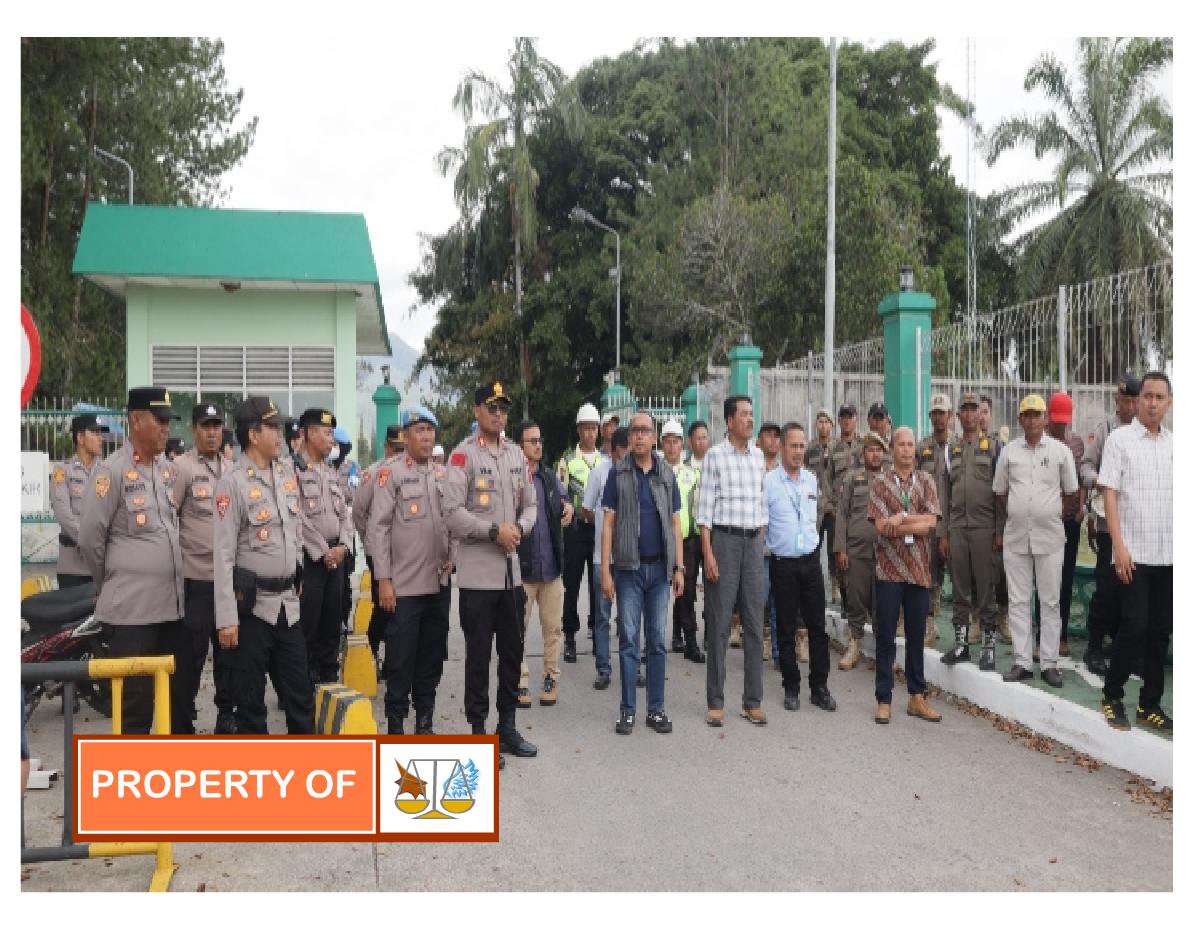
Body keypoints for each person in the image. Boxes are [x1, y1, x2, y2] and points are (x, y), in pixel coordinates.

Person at [78, 386, 194, 735]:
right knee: (136, 711)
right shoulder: (110, 472)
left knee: (178, 704)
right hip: (133, 614)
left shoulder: (166, 470)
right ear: (135, 420)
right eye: (159, 420)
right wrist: (110, 583)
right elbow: (90, 539)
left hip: (171, 611)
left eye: (168, 421)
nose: (166, 428)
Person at [443, 382, 539, 767]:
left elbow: (530, 505)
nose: (499, 414)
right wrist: (492, 531)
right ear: (477, 410)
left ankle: (507, 727)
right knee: (479, 657)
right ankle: (479, 733)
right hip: (478, 579)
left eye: (503, 408)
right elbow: (452, 512)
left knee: (512, 653)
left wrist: (519, 529)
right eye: (491, 407)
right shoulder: (462, 456)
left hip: (511, 577)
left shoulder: (516, 454)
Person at [212, 396, 314, 735]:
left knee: (301, 699)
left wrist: (297, 569)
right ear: (253, 435)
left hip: (288, 607)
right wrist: (226, 618)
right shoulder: (232, 483)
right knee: (251, 707)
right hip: (252, 612)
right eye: (272, 427)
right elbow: (223, 554)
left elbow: (295, 528)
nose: (280, 434)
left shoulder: (285, 473)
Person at [369, 407, 454, 735]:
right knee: (400, 659)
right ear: (405, 437)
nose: (426, 437)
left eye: (430, 431)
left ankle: (424, 721)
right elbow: (379, 528)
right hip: (403, 587)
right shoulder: (391, 474)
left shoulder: (443, 474)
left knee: (431, 658)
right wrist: (383, 579)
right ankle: (396, 725)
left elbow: (455, 520)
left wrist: (454, 556)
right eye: (419, 431)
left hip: (438, 583)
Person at [600, 411, 684, 735]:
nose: (638, 436)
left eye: (644, 430)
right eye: (634, 430)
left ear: (654, 436)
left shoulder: (666, 474)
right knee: (629, 640)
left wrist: (679, 567)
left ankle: (656, 709)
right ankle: (627, 710)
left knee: (657, 642)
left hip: (660, 570)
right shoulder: (618, 473)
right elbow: (608, 524)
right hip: (628, 571)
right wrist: (606, 571)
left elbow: (675, 523)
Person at [1098, 372, 1173, 733]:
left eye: (1160, 397)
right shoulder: (1120, 440)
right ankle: (1112, 695)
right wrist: (1119, 546)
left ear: (1169, 404)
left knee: (1160, 631)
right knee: (1134, 626)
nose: (1153, 403)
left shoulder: (1176, 446)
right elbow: (1109, 493)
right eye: (1147, 396)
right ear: (1138, 400)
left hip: (1168, 554)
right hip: (1134, 554)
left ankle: (1149, 704)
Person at [993, 395, 1079, 687]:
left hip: (1050, 537)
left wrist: (1050, 514)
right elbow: (1001, 493)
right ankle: (1022, 662)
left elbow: (1071, 493)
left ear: (1046, 419)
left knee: (1050, 601)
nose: (1032, 420)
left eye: (1037, 415)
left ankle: (1050, 663)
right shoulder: (1008, 453)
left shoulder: (1061, 452)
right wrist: (1020, 514)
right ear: (1020, 420)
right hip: (1017, 536)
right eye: (1027, 415)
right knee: (1018, 600)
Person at [696, 395, 769, 727]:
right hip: (723, 543)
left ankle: (752, 701)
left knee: (754, 623)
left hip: (752, 544)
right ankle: (715, 700)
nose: (750, 420)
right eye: (744, 415)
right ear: (729, 420)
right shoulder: (715, 456)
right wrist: (708, 553)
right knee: (719, 623)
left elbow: (762, 504)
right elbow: (704, 512)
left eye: (752, 414)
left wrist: (759, 538)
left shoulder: (759, 457)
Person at [868, 427, 942, 724]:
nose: (907, 450)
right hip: (888, 570)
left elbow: (931, 522)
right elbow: (881, 526)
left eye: (911, 445)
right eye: (901, 445)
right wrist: (911, 525)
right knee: (886, 636)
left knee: (916, 636)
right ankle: (884, 699)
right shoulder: (880, 483)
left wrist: (902, 519)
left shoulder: (926, 481)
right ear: (892, 449)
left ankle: (917, 696)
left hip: (919, 571)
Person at [170, 402, 233, 732]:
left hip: (228, 582)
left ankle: (226, 717)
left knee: (229, 655)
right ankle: (182, 725)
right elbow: (170, 520)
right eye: (205, 426)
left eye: (216, 426)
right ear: (194, 430)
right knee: (190, 658)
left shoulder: (232, 470)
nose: (211, 433)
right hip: (196, 581)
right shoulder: (181, 469)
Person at [765, 423, 835, 712]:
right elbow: (762, 523)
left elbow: (814, 516)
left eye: (801, 446)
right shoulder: (769, 482)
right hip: (782, 565)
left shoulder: (811, 480)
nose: (798, 451)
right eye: (792, 446)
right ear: (781, 447)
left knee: (817, 628)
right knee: (785, 628)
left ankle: (819, 687)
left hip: (810, 563)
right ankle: (791, 686)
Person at [1079, 374, 1140, 675]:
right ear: (1117, 401)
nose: (1128, 405)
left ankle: (1120, 648)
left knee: (1132, 589)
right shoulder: (1104, 430)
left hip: (1138, 525)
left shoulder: (1146, 433)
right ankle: (1094, 647)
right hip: (1107, 523)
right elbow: (1085, 466)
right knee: (1106, 588)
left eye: (1132, 400)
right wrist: (1099, 481)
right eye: (1123, 400)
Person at [938, 392, 1003, 672]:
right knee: (960, 588)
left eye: (973, 409)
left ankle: (988, 647)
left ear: (981, 413)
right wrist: (943, 533)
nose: (968, 414)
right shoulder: (950, 450)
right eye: (964, 409)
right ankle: (961, 644)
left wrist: (999, 530)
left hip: (984, 529)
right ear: (958, 415)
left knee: (986, 589)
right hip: (956, 529)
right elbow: (943, 495)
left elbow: (1000, 493)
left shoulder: (994, 448)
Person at [515, 419, 574, 708]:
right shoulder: (512, 478)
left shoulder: (549, 477)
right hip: (522, 570)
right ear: (519, 446)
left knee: (553, 630)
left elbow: (565, 499)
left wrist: (569, 507)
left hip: (551, 569)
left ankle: (551, 677)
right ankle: (520, 681)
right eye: (532, 441)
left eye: (540, 440)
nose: (538, 445)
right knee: (517, 631)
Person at [295, 408, 353, 685]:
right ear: (308, 434)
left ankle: (329, 677)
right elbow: (297, 517)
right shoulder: (293, 470)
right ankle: (303, 683)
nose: (332, 440)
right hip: (311, 559)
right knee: (309, 623)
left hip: (336, 557)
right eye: (327, 433)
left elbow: (345, 515)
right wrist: (322, 551)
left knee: (332, 621)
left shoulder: (330, 472)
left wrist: (343, 546)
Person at [833, 431, 887, 671]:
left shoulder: (890, 479)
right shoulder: (852, 479)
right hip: (857, 551)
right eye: (871, 450)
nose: (875, 455)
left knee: (882, 604)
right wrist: (841, 548)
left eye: (879, 450)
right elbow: (842, 515)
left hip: (885, 553)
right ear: (863, 453)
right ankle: (853, 646)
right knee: (855, 601)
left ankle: (883, 653)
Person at [353, 424, 406, 663]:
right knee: (382, 606)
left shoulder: (410, 473)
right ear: (385, 447)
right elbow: (358, 512)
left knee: (401, 608)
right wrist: (372, 540)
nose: (398, 455)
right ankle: (371, 651)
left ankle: (394, 660)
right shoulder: (373, 474)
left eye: (402, 450)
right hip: (379, 552)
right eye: (394, 449)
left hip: (404, 552)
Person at [557, 403, 604, 663]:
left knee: (598, 584)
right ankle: (570, 637)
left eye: (594, 428)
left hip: (599, 530)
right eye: (586, 428)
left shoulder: (604, 460)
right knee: (572, 584)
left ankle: (597, 634)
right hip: (575, 530)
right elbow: (560, 493)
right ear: (578, 430)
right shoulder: (568, 460)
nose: (590, 433)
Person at [583, 427, 629, 689]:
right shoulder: (599, 473)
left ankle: (632, 667)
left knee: (629, 616)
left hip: (629, 558)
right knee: (602, 616)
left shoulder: (636, 473)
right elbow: (587, 510)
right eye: (622, 455)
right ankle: (603, 668)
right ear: (612, 450)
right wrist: (604, 526)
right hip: (603, 557)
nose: (625, 460)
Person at [1045, 391, 1087, 660]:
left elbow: (1081, 480)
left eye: (1064, 422)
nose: (1061, 427)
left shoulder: (1077, 444)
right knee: (1045, 580)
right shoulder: (1040, 443)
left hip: (1070, 521)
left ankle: (1060, 637)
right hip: (1046, 521)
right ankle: (1043, 636)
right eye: (1056, 421)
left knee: (1066, 577)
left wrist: (1080, 507)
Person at [50, 413, 109, 589]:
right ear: (80, 438)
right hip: (72, 569)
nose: (100, 438)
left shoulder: (107, 473)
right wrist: (90, 542)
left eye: (101, 433)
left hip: (101, 568)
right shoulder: (63, 471)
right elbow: (64, 516)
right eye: (95, 433)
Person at [662, 420, 702, 661]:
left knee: (686, 592)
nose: (671, 446)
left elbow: (697, 508)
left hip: (686, 541)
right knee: (655, 594)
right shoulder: (655, 472)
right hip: (658, 541)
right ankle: (654, 643)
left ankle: (690, 641)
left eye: (675, 441)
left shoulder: (692, 474)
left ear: (682, 445)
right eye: (667, 441)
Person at [916, 394, 954, 647]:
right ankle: (929, 621)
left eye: (943, 413)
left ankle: (970, 623)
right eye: (935, 413)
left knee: (959, 575)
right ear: (930, 417)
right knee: (928, 572)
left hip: (955, 520)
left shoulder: (958, 447)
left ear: (950, 417)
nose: (939, 418)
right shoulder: (922, 448)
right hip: (929, 521)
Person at [978, 394, 1011, 643]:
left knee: (1001, 572)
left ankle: (1003, 617)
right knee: (974, 574)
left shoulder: (999, 448)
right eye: (977, 411)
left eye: (985, 411)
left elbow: (1002, 490)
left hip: (994, 519)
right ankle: (977, 620)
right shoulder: (960, 446)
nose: (980, 416)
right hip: (972, 521)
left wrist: (1000, 528)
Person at [828, 403, 864, 607]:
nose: (847, 421)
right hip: (839, 511)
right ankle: (845, 600)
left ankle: (862, 601)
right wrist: (831, 507)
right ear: (839, 421)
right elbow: (827, 480)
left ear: (856, 419)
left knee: (860, 555)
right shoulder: (833, 448)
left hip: (860, 510)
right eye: (844, 417)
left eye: (850, 417)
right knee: (840, 555)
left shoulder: (864, 445)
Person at [756, 422, 782, 667]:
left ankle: (779, 652)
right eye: (768, 435)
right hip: (759, 548)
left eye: (777, 436)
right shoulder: (752, 470)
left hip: (782, 548)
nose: (773, 440)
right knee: (758, 602)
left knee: (780, 604)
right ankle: (755, 650)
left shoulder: (786, 471)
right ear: (758, 441)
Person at [806, 408, 836, 609]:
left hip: (833, 506)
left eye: (826, 422)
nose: (823, 425)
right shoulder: (810, 449)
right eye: (820, 422)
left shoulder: (838, 448)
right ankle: (815, 584)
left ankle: (835, 585)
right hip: (814, 506)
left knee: (834, 548)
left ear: (832, 425)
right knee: (814, 547)